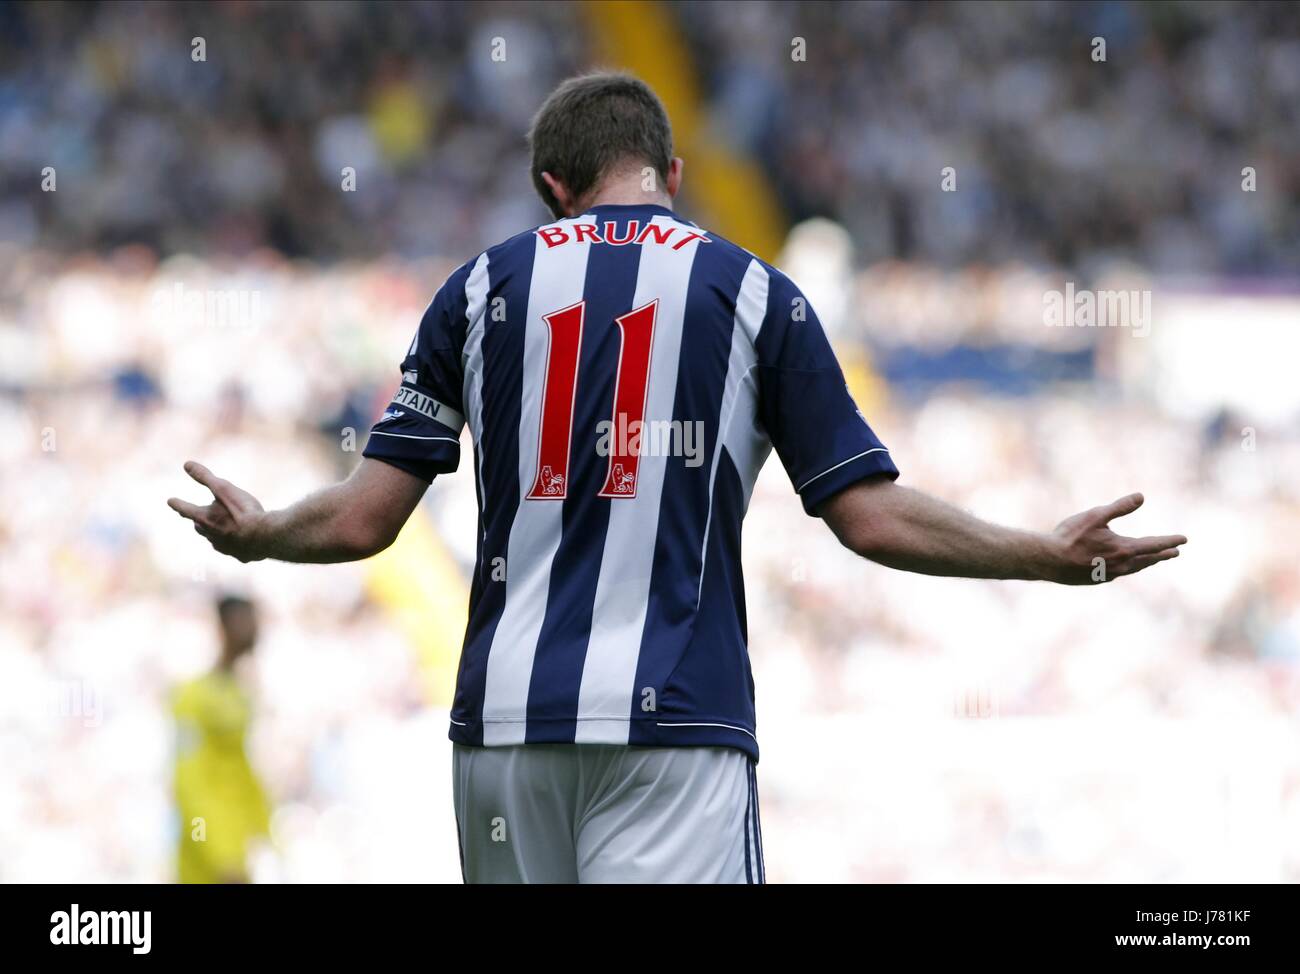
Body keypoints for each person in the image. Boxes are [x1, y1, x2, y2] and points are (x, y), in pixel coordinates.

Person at [166, 72, 1186, 884]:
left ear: (550, 190)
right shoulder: (752, 291)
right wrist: (1046, 556)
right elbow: (868, 518)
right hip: (675, 728)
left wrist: (260, 531)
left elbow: (359, 521)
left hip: (503, 734)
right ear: (673, 171)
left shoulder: (475, 291)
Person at [171, 595, 271, 884]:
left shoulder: (241, 696)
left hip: (241, 847)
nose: (253, 629)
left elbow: (245, 773)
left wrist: (264, 835)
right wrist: (220, 856)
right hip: (209, 858)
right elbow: (188, 781)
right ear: (223, 627)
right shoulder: (193, 697)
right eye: (244, 621)